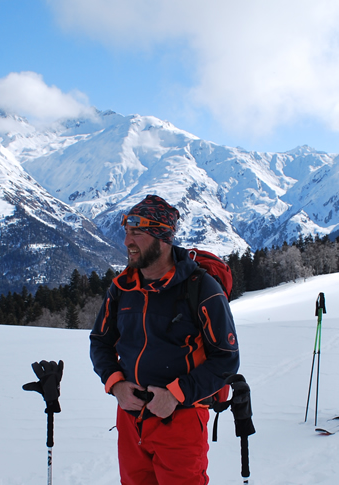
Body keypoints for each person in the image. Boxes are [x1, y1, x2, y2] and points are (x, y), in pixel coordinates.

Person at [90, 194, 240, 485]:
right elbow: (100, 341)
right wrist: (116, 384)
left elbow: (227, 358)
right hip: (131, 418)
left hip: (180, 420)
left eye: (137, 232)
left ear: (163, 237)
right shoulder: (123, 287)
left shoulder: (201, 289)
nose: (126, 241)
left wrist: (175, 395)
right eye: (126, 232)